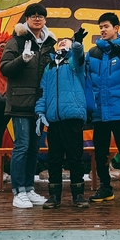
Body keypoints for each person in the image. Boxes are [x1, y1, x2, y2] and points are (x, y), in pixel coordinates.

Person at [0, 3, 57, 209]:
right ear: (26, 19)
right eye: (33, 15)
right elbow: (4, 68)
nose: (37, 18)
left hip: (40, 105)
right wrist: (21, 60)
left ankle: (29, 188)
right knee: (22, 146)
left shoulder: (50, 43)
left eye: (41, 15)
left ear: (45, 19)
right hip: (20, 103)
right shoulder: (16, 41)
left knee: (34, 148)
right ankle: (18, 192)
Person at [86, 12, 120, 204]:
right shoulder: (93, 52)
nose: (103, 30)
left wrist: (118, 49)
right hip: (100, 110)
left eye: (106, 26)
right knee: (100, 152)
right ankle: (105, 188)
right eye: (100, 27)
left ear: (116, 28)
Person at [35, 28, 89, 209]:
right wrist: (40, 112)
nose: (62, 42)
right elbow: (43, 92)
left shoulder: (74, 63)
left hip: (72, 117)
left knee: (75, 157)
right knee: (54, 159)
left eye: (66, 41)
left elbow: (79, 54)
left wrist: (77, 43)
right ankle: (54, 196)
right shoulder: (49, 67)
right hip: (54, 120)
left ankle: (78, 195)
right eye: (60, 41)